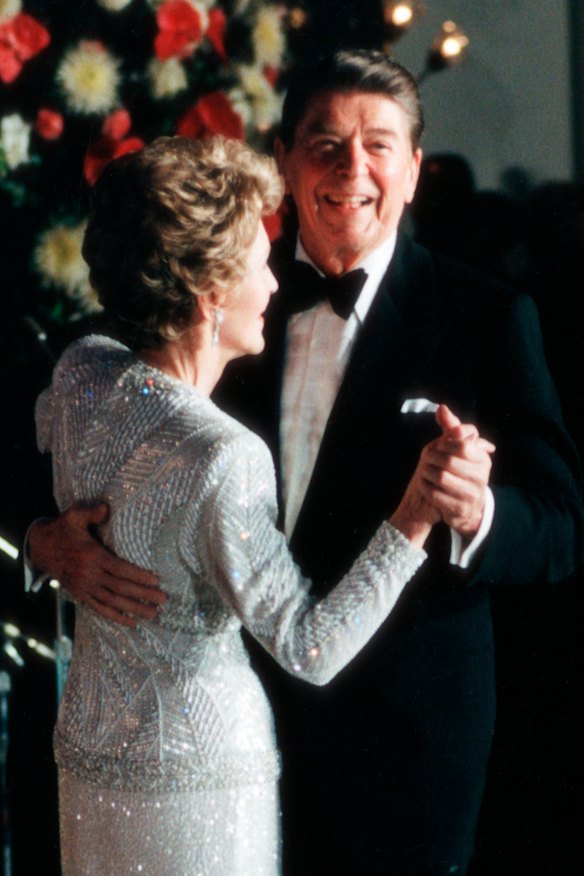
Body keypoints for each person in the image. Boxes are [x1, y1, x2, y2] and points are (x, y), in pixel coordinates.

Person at [27, 51, 583, 875]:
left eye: (379, 146)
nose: (351, 169)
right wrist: (43, 543)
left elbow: (563, 528)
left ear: (415, 170)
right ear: (283, 160)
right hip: (207, 756)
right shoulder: (216, 292)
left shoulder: (488, 318)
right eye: (325, 143)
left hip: (402, 762)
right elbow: (30, 430)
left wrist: (477, 513)